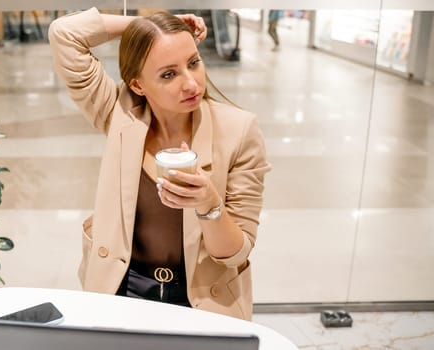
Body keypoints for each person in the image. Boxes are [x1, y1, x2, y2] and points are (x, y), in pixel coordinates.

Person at [48, 8, 270, 320]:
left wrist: (208, 204)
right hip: (122, 289)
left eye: (194, 62)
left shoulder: (239, 130)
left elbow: (237, 252)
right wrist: (146, 26)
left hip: (203, 299)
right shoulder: (118, 114)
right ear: (138, 85)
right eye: (168, 74)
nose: (191, 84)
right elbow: (64, 33)